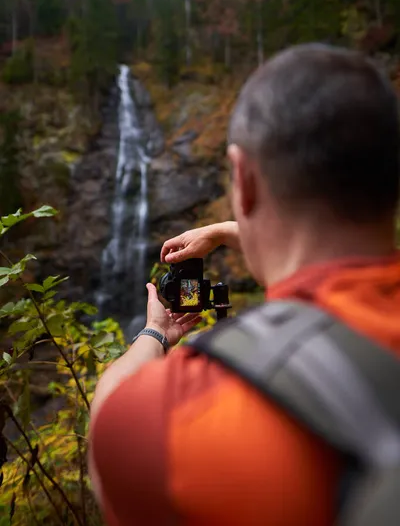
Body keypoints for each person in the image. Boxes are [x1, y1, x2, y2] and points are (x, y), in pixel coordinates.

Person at [88, 43, 400, 526]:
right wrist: (219, 233)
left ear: (243, 179)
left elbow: (106, 419)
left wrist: (154, 333)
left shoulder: (190, 408)